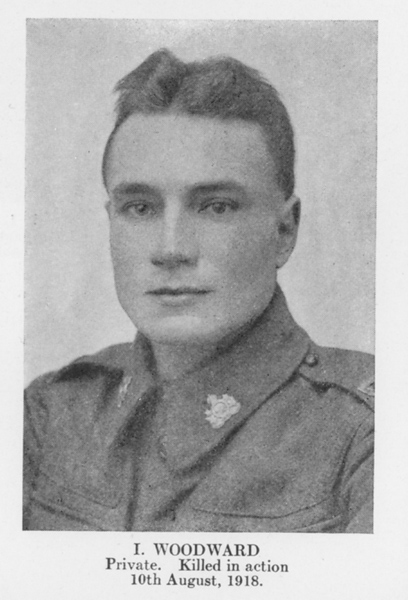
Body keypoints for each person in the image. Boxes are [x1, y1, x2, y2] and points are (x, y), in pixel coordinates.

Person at [23, 49, 374, 532]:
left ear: (284, 231)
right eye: (140, 208)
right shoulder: (50, 414)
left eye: (216, 207)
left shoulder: (366, 434)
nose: (171, 249)